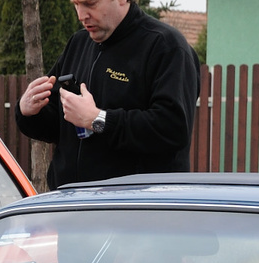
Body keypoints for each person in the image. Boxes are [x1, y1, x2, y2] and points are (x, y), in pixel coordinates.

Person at [15, 0, 199, 188]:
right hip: (70, 203)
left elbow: (172, 129)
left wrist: (98, 120)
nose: (81, 15)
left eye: (90, 4)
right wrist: (28, 112)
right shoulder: (78, 43)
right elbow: (59, 125)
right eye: (76, 4)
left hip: (135, 207)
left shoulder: (166, 46)